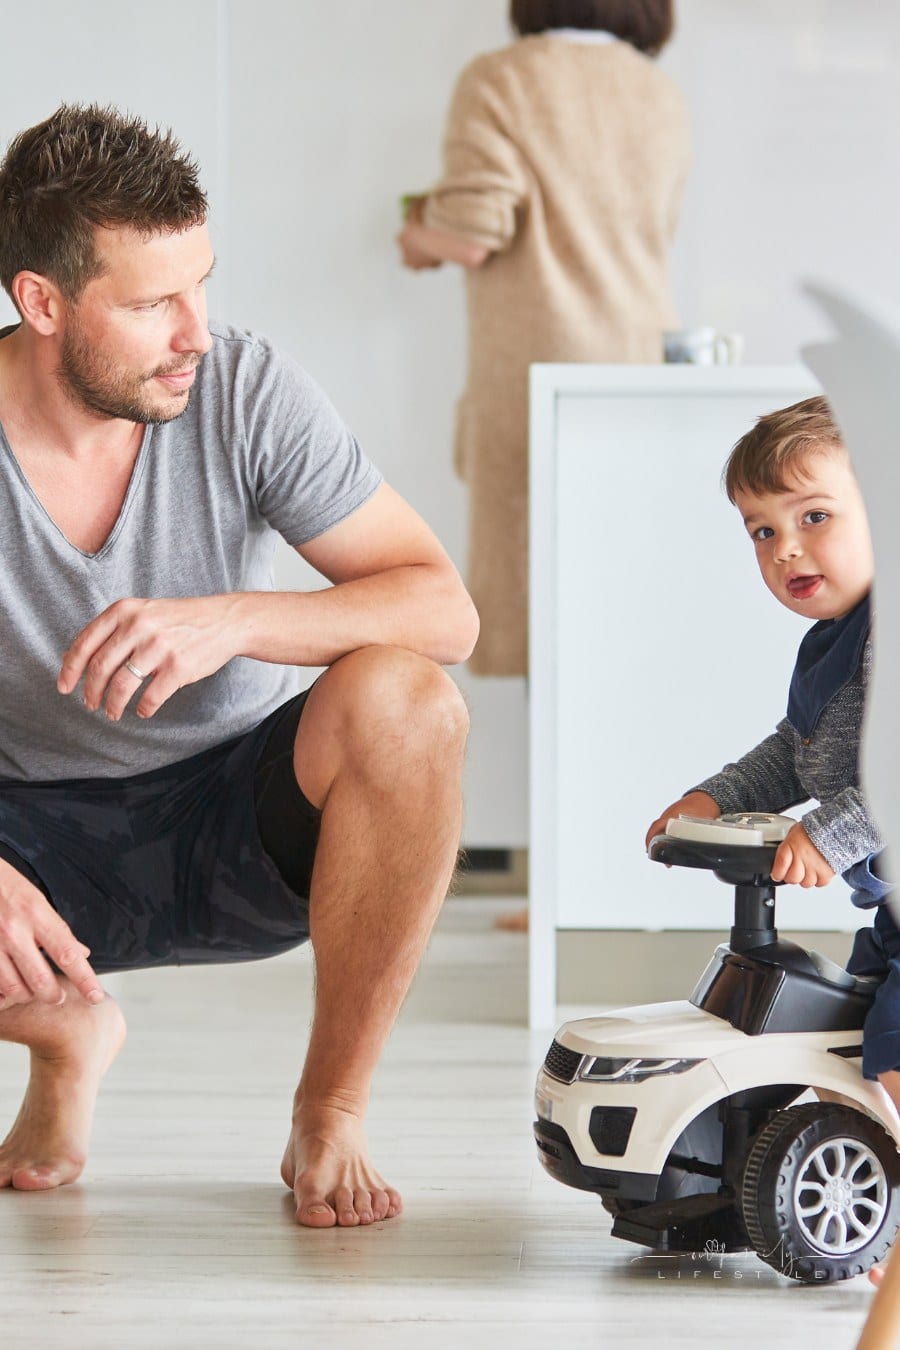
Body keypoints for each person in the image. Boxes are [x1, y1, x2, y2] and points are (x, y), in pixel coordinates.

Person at [0, 104, 479, 1228]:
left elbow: (443, 609)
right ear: (41, 302)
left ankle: (330, 1114)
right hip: (32, 837)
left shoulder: (245, 390)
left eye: (201, 285)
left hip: (244, 820)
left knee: (410, 698)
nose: (195, 334)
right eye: (155, 302)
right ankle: (66, 1037)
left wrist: (233, 621)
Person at [645, 396, 900, 1189]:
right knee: (849, 1043)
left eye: (813, 516)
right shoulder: (833, 642)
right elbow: (798, 755)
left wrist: (831, 836)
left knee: (892, 1052)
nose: (787, 549)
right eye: (763, 531)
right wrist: (714, 797)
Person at [397, 0, 690, 677]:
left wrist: (418, 233)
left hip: (542, 387)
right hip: (642, 379)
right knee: (623, 618)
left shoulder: (504, 78)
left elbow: (473, 232)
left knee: (549, 625)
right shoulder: (660, 93)